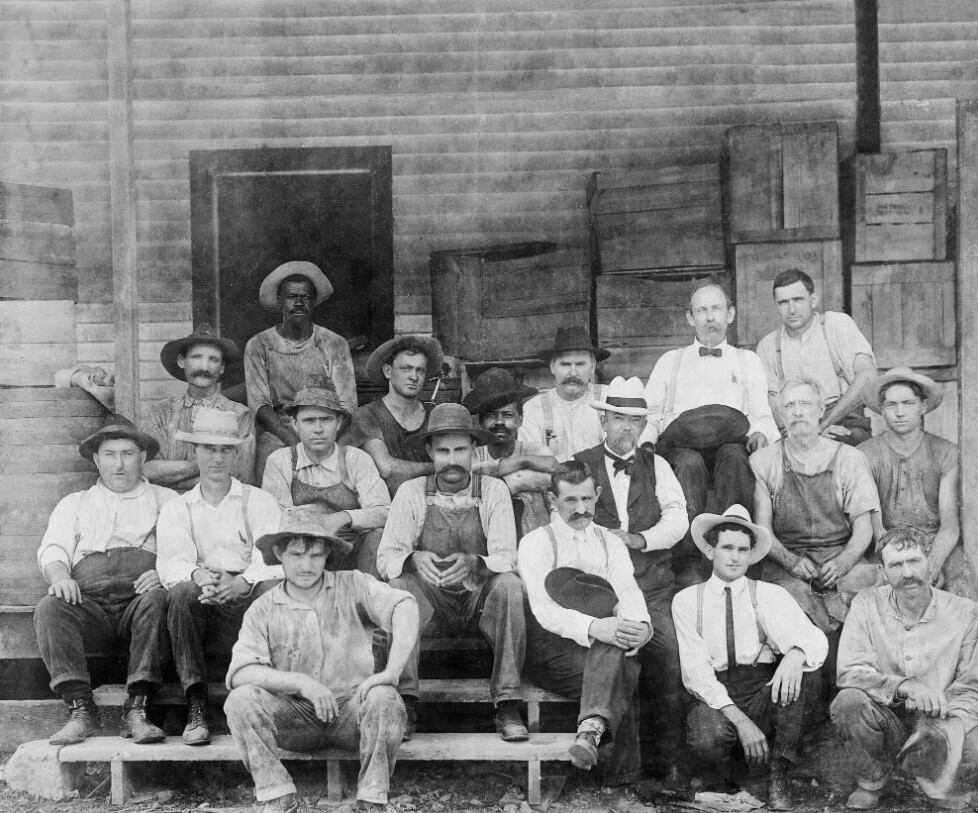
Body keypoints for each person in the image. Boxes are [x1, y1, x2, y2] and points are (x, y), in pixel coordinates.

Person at [225, 508, 419, 813]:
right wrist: (302, 683)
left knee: (385, 698)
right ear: (279, 553)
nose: (306, 565)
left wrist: (393, 671)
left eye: (316, 555)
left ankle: (372, 800)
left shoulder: (353, 584)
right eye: (297, 554)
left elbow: (405, 605)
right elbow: (241, 672)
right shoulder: (264, 607)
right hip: (294, 720)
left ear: (328, 554)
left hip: (351, 716)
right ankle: (278, 797)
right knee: (240, 700)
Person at [375, 402, 528, 742]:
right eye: (443, 451)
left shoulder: (493, 491)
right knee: (400, 585)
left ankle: (507, 702)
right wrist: (413, 558)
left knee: (509, 586)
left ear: (475, 449)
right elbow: (386, 558)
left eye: (460, 449)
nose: (452, 459)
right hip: (430, 607)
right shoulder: (411, 492)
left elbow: (508, 556)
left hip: (477, 603)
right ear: (430, 451)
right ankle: (406, 702)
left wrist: (477, 561)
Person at [672, 505, 828, 810]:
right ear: (710, 550)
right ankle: (722, 775)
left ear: (751, 554)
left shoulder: (768, 594)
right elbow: (696, 675)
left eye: (743, 549)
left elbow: (815, 640)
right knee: (709, 737)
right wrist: (742, 723)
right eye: (727, 547)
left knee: (806, 669)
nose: (734, 556)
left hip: (760, 690)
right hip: (714, 695)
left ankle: (778, 771)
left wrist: (795, 655)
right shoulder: (688, 600)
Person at [571, 376, 688, 782]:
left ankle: (669, 765)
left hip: (652, 585)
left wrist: (640, 539)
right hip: (599, 590)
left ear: (642, 427)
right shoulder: (580, 463)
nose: (626, 428)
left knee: (670, 652)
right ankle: (616, 770)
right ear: (604, 421)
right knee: (616, 648)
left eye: (634, 421)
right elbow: (564, 521)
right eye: (618, 418)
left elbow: (678, 518)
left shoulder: (657, 465)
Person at [34, 414, 176, 745]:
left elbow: (184, 550)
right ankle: (80, 709)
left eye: (128, 454)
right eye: (110, 455)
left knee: (158, 600)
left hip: (140, 599)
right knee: (50, 607)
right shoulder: (75, 503)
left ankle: (137, 710)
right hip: (89, 602)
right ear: (97, 459)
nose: (119, 464)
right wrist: (59, 577)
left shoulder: (166, 500)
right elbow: (53, 547)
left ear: (142, 458)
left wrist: (164, 571)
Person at [518, 462, 652, 783]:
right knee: (622, 667)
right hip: (549, 648)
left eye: (587, 500)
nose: (581, 509)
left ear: (598, 495)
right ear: (552, 500)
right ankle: (620, 778)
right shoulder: (536, 543)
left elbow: (629, 593)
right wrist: (595, 628)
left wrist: (641, 626)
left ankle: (589, 734)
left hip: (602, 645)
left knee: (623, 651)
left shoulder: (610, 541)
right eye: (570, 501)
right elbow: (544, 612)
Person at [156, 408, 283, 746]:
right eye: (208, 449)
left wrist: (242, 582)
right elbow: (171, 562)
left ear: (236, 453)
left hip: (245, 600)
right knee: (181, 593)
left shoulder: (258, 501)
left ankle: (276, 703)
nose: (216, 457)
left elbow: (273, 557)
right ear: (194, 451)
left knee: (273, 589)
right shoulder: (178, 507)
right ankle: (195, 706)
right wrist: (199, 575)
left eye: (225, 449)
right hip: (204, 599)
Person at [831, 527, 978, 811]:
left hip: (942, 719)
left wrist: (943, 722)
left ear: (931, 564)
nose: (907, 572)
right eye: (896, 565)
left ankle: (937, 780)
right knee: (848, 702)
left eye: (915, 561)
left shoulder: (966, 612)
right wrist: (905, 685)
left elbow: (972, 684)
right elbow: (849, 670)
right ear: (883, 572)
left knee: (974, 748)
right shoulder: (866, 603)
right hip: (888, 717)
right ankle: (872, 780)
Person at [643, 283, 779, 583]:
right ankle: (691, 558)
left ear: (730, 314)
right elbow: (650, 414)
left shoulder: (748, 361)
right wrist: (647, 444)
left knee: (733, 457)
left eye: (716, 309)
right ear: (690, 318)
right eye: (701, 311)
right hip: (681, 445)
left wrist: (760, 433)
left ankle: (728, 546)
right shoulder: (670, 361)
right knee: (689, 464)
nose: (709, 318)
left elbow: (762, 414)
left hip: (730, 443)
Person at [751, 379, 880, 639]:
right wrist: (791, 561)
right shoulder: (764, 461)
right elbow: (762, 529)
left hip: (841, 555)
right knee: (786, 607)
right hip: (788, 560)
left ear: (820, 410)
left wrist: (843, 562)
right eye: (789, 406)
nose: (797, 412)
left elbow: (863, 527)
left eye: (805, 404)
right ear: (781, 414)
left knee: (869, 597)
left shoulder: (850, 458)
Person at [858, 368, 970, 598]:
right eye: (891, 405)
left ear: (923, 407)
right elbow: (875, 526)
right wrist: (899, 561)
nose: (900, 412)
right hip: (885, 545)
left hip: (933, 543)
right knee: (868, 591)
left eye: (908, 403)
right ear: (882, 410)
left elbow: (949, 525)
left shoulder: (946, 452)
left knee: (962, 588)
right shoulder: (864, 455)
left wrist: (934, 562)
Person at [262, 376, 390, 577]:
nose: (318, 429)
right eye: (309, 421)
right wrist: (317, 522)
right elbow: (276, 519)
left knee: (378, 537)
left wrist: (342, 517)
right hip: (303, 554)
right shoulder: (281, 461)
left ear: (338, 422)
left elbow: (384, 511)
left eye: (326, 420)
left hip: (351, 557)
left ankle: (365, 599)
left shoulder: (356, 459)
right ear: (295, 424)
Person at [244, 261, 357, 482]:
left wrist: (323, 437)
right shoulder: (259, 344)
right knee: (270, 460)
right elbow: (259, 405)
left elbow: (347, 404)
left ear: (314, 301)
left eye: (305, 297)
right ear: (279, 301)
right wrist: (297, 443)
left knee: (350, 466)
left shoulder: (334, 343)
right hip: (281, 427)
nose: (298, 303)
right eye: (291, 297)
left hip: (327, 425)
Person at [757, 269, 876, 446]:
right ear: (776, 306)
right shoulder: (768, 346)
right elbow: (772, 402)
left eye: (798, 300)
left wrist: (823, 425)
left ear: (813, 300)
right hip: (794, 424)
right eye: (783, 302)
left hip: (842, 418)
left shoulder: (836, 325)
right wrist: (801, 431)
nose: (791, 309)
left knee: (853, 448)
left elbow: (867, 376)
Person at [143, 324, 255, 490]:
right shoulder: (161, 412)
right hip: (170, 508)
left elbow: (240, 476)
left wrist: (173, 471)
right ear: (182, 361)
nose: (204, 367)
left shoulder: (238, 414)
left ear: (222, 367)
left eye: (213, 360)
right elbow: (148, 470)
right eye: (196, 357)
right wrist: (210, 465)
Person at [344, 335, 444, 495]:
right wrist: (441, 467)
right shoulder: (367, 415)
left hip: (432, 502)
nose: (414, 377)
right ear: (388, 371)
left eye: (420, 370)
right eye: (406, 369)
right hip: (387, 508)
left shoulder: (435, 415)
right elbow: (386, 469)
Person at [462, 366, 556, 537]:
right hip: (488, 540)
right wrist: (524, 463)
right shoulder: (472, 455)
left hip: (533, 540)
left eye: (507, 415)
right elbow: (468, 478)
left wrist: (499, 477)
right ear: (481, 422)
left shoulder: (536, 449)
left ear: (520, 419)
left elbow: (552, 475)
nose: (499, 422)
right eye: (491, 415)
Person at [519, 326, 609, 462]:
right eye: (565, 364)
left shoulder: (608, 399)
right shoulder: (533, 409)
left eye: (580, 364)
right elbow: (532, 464)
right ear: (552, 367)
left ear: (592, 366)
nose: (573, 373)